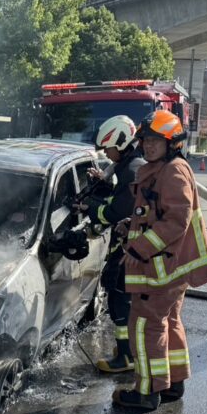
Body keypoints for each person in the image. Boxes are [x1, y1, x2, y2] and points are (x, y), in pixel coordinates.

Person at [114, 110, 207, 412]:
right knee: (168, 322)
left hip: (160, 269)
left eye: (156, 141)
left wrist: (138, 249)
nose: (148, 146)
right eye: (146, 140)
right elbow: (154, 212)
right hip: (170, 268)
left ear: (172, 142)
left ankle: (146, 391)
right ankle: (173, 382)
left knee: (145, 325)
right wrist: (130, 224)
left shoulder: (172, 171)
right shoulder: (164, 168)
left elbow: (176, 220)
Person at [77, 115, 145, 373]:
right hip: (132, 247)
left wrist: (89, 206)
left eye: (108, 148)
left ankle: (126, 357)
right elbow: (120, 201)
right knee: (121, 297)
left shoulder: (131, 170)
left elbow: (115, 212)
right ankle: (126, 349)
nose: (106, 153)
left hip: (130, 250)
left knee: (119, 298)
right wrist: (104, 185)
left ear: (121, 141)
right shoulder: (128, 166)